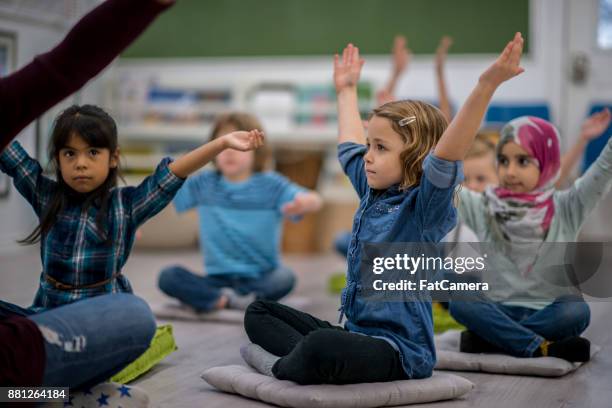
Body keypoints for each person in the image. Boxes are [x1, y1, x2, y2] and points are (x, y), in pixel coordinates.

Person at [241, 33, 525, 385]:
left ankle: (282, 366)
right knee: (259, 311)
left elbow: (447, 155)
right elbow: (348, 149)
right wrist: (345, 91)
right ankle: (307, 358)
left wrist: (486, 85)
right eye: (369, 145)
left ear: (414, 156)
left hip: (399, 351)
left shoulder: (425, 208)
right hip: (355, 333)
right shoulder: (373, 187)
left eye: (380, 147)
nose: (369, 156)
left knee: (321, 345)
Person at [158, 112, 322, 312]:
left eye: (239, 144)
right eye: (223, 145)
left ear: (257, 151)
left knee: (285, 278)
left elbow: (314, 200)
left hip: (261, 277)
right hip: (216, 279)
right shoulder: (203, 184)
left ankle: (218, 300)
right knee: (168, 276)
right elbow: (163, 190)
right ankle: (228, 299)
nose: (230, 151)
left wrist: (305, 203)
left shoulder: (271, 184)